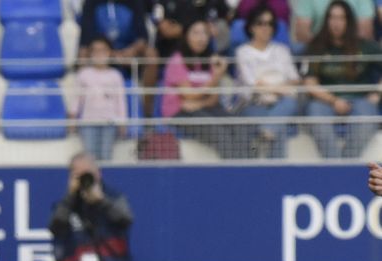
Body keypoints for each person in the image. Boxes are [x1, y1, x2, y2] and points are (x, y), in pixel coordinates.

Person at [162, 18, 254, 160]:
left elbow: (214, 98)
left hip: (204, 107)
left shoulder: (210, 59)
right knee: (220, 133)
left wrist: (199, 103)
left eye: (205, 33)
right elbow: (189, 96)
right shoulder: (177, 60)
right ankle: (235, 175)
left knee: (240, 128)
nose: (201, 38)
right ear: (186, 36)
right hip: (180, 112)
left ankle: (246, 171)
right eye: (196, 33)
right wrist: (216, 77)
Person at [303, 0, 381, 160]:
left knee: (368, 116)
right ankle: (334, 165)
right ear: (326, 20)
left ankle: (345, 164)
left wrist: (377, 93)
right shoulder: (316, 47)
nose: (336, 23)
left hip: (361, 100)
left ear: (349, 21)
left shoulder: (365, 46)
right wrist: (334, 101)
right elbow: (309, 83)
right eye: (332, 18)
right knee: (314, 112)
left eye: (341, 18)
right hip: (326, 101)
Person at [235, 6, 300, 159]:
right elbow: (252, 84)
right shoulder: (242, 52)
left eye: (270, 23)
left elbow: (294, 79)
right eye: (261, 23)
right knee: (280, 125)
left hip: (281, 102)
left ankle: (266, 133)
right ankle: (277, 174)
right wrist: (280, 88)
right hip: (254, 103)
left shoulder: (282, 50)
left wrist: (273, 88)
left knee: (290, 104)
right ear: (251, 27)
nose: (266, 28)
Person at [48, 152, 132, 261]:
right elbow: (55, 226)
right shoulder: (65, 204)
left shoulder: (114, 197)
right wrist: (70, 197)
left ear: (98, 173)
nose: (85, 180)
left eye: (88, 174)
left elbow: (126, 219)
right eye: (79, 175)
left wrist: (102, 201)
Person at [77, 0, 158, 117]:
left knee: (151, 55)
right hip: (100, 51)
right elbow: (86, 40)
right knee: (83, 53)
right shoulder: (90, 3)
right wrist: (110, 53)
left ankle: (147, 114)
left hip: (128, 53)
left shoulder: (136, 3)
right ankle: (81, 110)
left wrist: (130, 51)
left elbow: (142, 37)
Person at [73, 37, 128, 162]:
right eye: (95, 51)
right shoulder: (84, 74)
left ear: (110, 52)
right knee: (89, 157)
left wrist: (122, 122)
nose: (99, 54)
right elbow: (77, 98)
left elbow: (120, 100)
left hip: (109, 122)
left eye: (103, 50)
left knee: (106, 156)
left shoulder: (115, 75)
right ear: (90, 53)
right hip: (88, 122)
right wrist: (73, 117)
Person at [152, 0, 232, 59]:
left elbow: (210, 29)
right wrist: (191, 28)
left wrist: (183, 28)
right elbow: (167, 31)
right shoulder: (162, 2)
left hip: (201, 57)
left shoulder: (202, 3)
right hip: (168, 53)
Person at [294, 0, 375, 45]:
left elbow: (365, 32)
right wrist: (321, 47)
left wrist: (344, 46)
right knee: (298, 48)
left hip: (353, 45)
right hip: (318, 45)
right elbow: (302, 32)